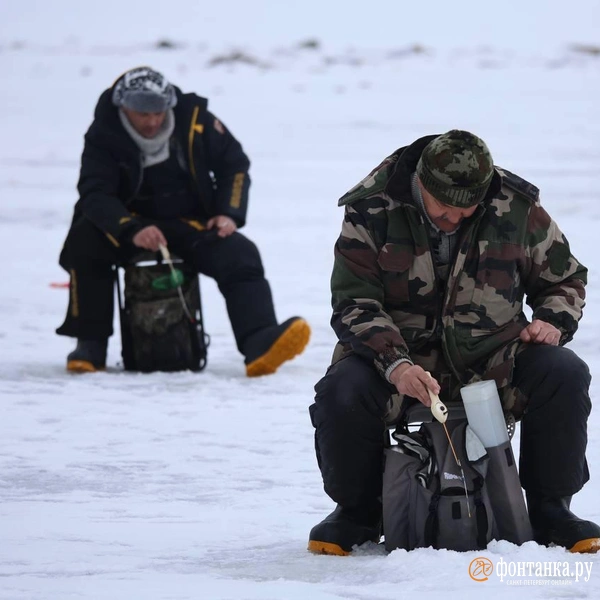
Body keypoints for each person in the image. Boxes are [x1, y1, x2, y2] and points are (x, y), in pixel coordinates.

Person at [308, 130, 600, 555]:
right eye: (444, 208)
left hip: (493, 359)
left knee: (564, 372)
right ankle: (358, 512)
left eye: (467, 209)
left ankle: (551, 508)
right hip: (398, 361)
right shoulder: (372, 208)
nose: (455, 218)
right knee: (342, 390)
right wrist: (396, 364)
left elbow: (565, 278)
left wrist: (553, 321)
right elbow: (354, 302)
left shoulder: (516, 207)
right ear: (420, 184)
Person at [56, 66, 310, 375]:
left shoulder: (196, 120)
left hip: (189, 223)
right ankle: (89, 347)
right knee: (85, 242)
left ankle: (260, 342)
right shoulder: (103, 132)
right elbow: (94, 194)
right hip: (129, 224)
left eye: (158, 113)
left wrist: (228, 213)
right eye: (142, 114)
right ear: (124, 106)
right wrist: (131, 229)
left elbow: (235, 166)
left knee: (240, 253)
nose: (152, 121)